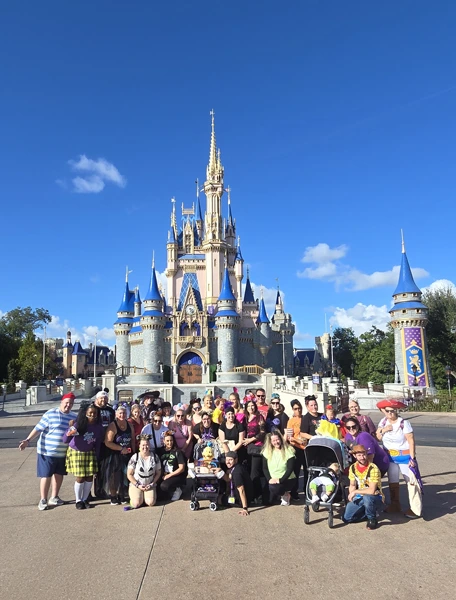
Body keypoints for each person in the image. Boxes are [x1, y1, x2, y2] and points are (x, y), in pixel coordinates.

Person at [19, 392, 77, 511]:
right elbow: (38, 428)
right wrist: (27, 440)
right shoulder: (50, 413)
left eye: (71, 404)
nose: (68, 406)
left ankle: (54, 497)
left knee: (59, 475)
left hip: (62, 453)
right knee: (46, 476)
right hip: (47, 452)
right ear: (61, 402)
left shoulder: (74, 417)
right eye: (66, 403)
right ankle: (43, 499)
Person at [376, 399, 422, 519]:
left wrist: (413, 458)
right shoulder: (383, 421)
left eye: (393, 410)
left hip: (405, 457)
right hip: (390, 457)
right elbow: (378, 437)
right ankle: (395, 504)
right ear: (383, 411)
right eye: (388, 411)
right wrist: (384, 429)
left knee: (411, 482)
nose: (390, 413)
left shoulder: (403, 423)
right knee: (393, 482)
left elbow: (411, 441)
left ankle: (415, 509)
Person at [63, 403, 104, 509]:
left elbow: (98, 443)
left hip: (90, 452)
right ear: (85, 413)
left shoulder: (98, 427)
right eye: (90, 413)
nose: (92, 415)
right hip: (77, 452)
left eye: (95, 413)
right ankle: (78, 500)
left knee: (90, 477)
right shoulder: (78, 424)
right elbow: (65, 440)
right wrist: (69, 431)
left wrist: (98, 456)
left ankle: (85, 499)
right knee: (80, 477)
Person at [343, 444, 384, 530]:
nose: (362, 457)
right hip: (360, 496)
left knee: (367, 498)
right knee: (346, 518)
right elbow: (352, 485)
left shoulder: (373, 468)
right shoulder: (352, 468)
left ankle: (372, 518)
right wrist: (352, 495)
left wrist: (355, 492)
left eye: (364, 454)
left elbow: (372, 490)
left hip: (375, 496)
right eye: (359, 455)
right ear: (354, 456)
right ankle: (366, 512)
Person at [103, 406, 135, 505]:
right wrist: (121, 449)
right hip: (115, 454)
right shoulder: (113, 425)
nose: (122, 415)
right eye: (120, 413)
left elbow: (133, 439)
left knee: (125, 475)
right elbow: (107, 442)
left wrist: (133, 452)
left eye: (124, 413)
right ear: (116, 414)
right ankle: (113, 496)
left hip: (127, 454)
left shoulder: (130, 425)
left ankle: (122, 495)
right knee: (114, 476)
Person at [262, 430, 296, 506]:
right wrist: (269, 479)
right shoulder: (267, 451)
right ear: (270, 442)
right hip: (273, 480)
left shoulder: (289, 450)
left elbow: (290, 469)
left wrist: (280, 480)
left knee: (275, 488)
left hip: (287, 479)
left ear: (281, 439)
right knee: (267, 502)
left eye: (277, 439)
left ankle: (285, 494)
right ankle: (278, 493)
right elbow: (265, 468)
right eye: (273, 440)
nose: (276, 442)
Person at [92, 390, 115, 498]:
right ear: (97, 399)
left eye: (105, 398)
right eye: (101, 398)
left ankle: (100, 491)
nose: (103, 400)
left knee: (103, 468)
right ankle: (86, 493)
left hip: (106, 442)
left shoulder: (110, 410)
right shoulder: (92, 409)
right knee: (91, 468)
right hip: (93, 443)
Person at [127, 435, 161, 508]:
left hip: (150, 484)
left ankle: (144, 498)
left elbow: (158, 473)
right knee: (136, 504)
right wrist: (138, 485)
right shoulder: (135, 457)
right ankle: (137, 498)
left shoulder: (155, 457)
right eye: (143, 445)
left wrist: (152, 484)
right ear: (139, 446)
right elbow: (129, 474)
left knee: (151, 502)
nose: (145, 447)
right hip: (137, 484)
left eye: (147, 445)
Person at [243, 399, 266, 502]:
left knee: (254, 472)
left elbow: (262, 433)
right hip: (246, 447)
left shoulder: (259, 417)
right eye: (248, 406)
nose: (251, 408)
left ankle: (258, 494)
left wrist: (250, 440)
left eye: (252, 406)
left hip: (257, 446)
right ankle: (251, 494)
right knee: (248, 472)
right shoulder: (245, 417)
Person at [286, 399, 307, 497]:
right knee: (296, 470)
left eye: (299, 408)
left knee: (307, 470)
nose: (298, 410)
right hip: (297, 447)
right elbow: (289, 437)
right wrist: (298, 441)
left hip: (306, 448)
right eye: (295, 409)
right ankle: (294, 492)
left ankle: (307, 490)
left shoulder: (305, 418)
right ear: (292, 410)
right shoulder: (291, 421)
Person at [223, 451, 254, 516]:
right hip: (246, 496)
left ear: (236, 460)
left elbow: (241, 490)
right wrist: (220, 472)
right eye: (226, 460)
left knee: (218, 498)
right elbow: (228, 479)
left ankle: (243, 505)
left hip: (239, 501)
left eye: (230, 460)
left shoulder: (237, 473)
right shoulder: (238, 467)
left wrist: (245, 508)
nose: (228, 462)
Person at [159, 431, 187, 502]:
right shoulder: (160, 451)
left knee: (164, 486)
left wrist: (169, 476)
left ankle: (177, 489)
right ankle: (169, 492)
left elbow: (182, 468)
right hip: (164, 475)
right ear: (164, 441)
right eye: (167, 441)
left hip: (176, 475)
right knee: (159, 496)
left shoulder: (178, 452)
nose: (169, 443)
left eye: (171, 440)